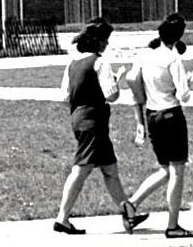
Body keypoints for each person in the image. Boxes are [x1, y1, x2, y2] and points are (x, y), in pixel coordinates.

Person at [54, 20, 149, 235]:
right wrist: (115, 80)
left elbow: (65, 96)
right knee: (81, 169)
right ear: (96, 41)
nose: (107, 44)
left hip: (78, 118)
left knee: (110, 169)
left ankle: (128, 213)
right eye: (105, 40)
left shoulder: (72, 64)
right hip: (94, 121)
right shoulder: (100, 63)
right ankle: (62, 218)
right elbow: (111, 95)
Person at [127, 13, 193, 238]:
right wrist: (189, 80)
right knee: (177, 171)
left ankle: (132, 203)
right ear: (179, 37)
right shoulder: (173, 59)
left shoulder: (146, 57)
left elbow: (133, 79)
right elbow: (183, 95)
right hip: (171, 114)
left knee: (165, 169)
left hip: (152, 115)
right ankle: (173, 225)